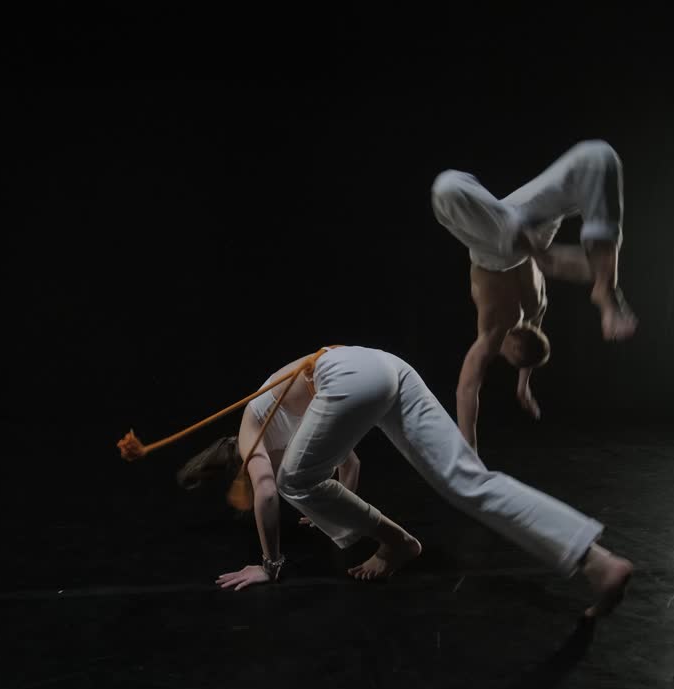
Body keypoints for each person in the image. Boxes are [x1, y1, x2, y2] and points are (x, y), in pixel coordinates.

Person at [176, 345, 633, 619]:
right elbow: (348, 468)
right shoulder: (299, 421)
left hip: (347, 375)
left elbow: (270, 491)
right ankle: (598, 562)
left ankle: (398, 544)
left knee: (294, 480)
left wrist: (270, 565)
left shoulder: (249, 433)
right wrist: (330, 507)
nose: (261, 468)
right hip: (386, 367)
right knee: (467, 482)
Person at [430, 140, 638, 451]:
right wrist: (469, 453)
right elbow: (466, 388)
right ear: (514, 344)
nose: (507, 358)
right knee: (446, 189)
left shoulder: (537, 307)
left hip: (523, 224)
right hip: (496, 248)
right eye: (512, 359)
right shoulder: (495, 331)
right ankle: (591, 281)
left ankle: (600, 282)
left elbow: (530, 354)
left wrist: (523, 387)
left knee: (598, 157)